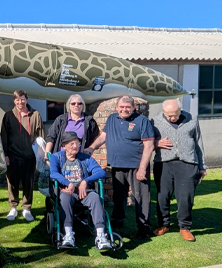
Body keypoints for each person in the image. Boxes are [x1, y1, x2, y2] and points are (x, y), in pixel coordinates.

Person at [86, 96, 154, 239]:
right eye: (121, 107)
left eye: (127, 107)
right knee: (119, 195)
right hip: (117, 164)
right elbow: (103, 136)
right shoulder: (112, 119)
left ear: (133, 107)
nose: (124, 109)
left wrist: (142, 168)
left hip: (136, 166)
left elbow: (149, 146)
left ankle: (144, 228)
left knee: (141, 197)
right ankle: (118, 220)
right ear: (116, 107)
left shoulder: (142, 121)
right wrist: (91, 148)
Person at [151, 99, 207, 242]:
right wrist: (156, 143)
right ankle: (164, 225)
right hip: (163, 163)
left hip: (188, 163)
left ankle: (184, 227)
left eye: (174, 115)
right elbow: (147, 142)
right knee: (162, 195)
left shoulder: (192, 119)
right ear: (163, 112)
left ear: (180, 111)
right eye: (168, 115)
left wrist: (202, 166)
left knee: (185, 197)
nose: (172, 118)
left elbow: (198, 143)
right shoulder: (154, 121)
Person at [50, 132, 111, 250]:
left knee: (95, 198)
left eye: (77, 143)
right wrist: (68, 183)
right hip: (67, 191)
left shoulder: (85, 158)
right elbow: (53, 173)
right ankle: (68, 235)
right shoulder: (56, 157)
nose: (75, 146)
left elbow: (101, 172)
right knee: (64, 199)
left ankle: (101, 236)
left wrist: (85, 181)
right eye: (71, 144)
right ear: (64, 146)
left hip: (84, 191)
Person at [0, 90, 44, 222]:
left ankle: (27, 208)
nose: (20, 102)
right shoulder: (9, 116)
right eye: (17, 100)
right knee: (12, 183)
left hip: (30, 156)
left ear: (27, 99)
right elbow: (4, 137)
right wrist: (5, 155)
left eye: (23, 99)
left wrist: (41, 154)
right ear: (14, 101)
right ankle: (13, 207)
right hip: (13, 155)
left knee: (28, 183)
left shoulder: (35, 115)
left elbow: (41, 135)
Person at [44, 94, 100, 159]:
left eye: (79, 103)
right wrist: (47, 152)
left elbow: (97, 137)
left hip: (80, 160)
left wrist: (91, 148)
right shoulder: (61, 120)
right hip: (61, 159)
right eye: (73, 103)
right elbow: (51, 137)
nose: (76, 105)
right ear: (69, 106)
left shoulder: (89, 121)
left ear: (83, 105)